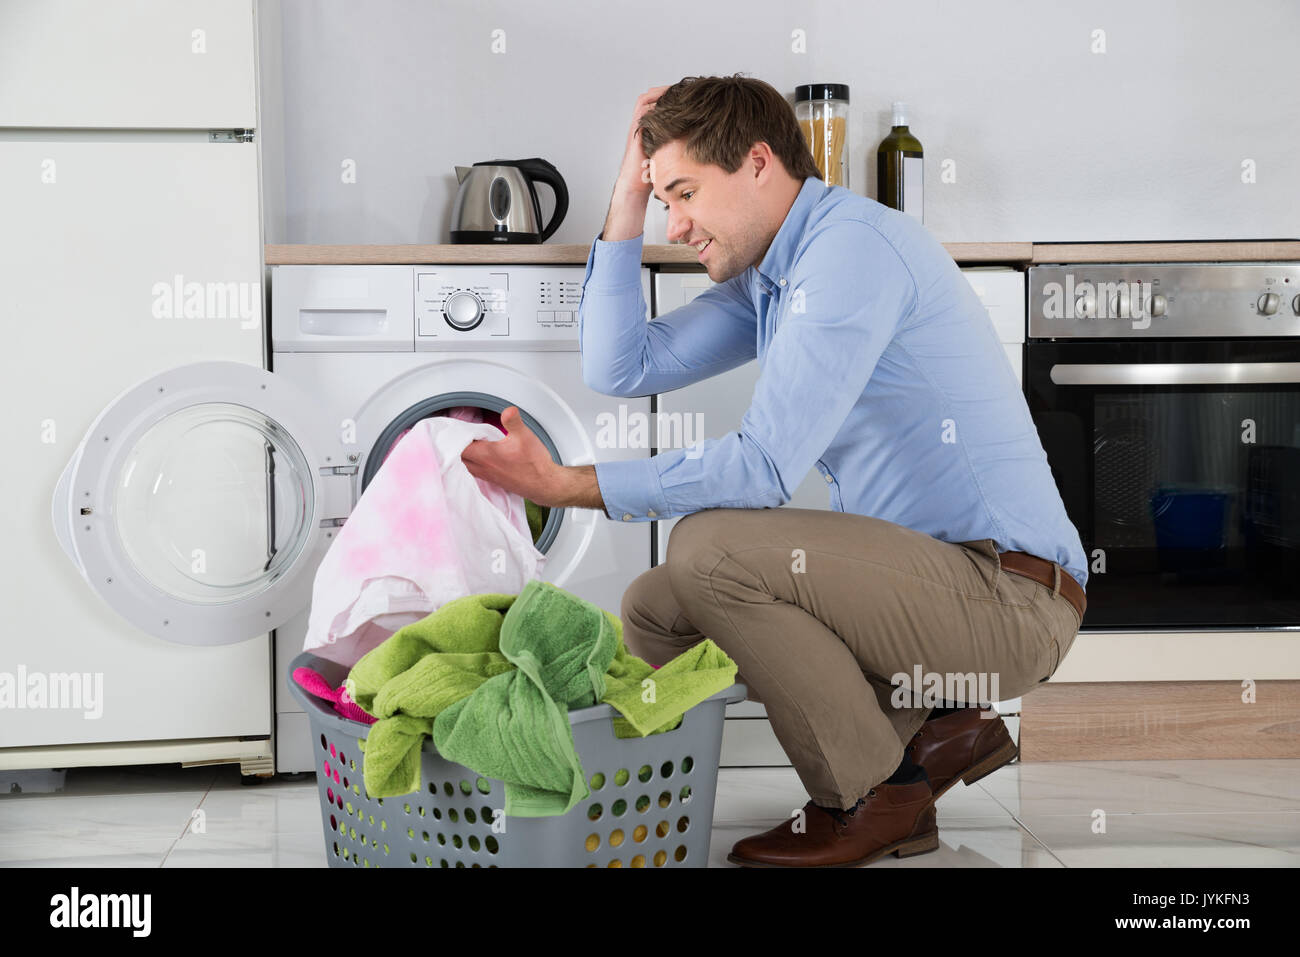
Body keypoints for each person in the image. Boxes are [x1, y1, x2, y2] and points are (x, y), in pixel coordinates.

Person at [459, 74, 1087, 868]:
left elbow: (762, 469)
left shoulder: (848, 253)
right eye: (664, 202)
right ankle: (660, 801)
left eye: (685, 193)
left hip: (1008, 598)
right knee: (658, 603)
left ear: (758, 163)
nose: (676, 224)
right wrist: (629, 187)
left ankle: (872, 793)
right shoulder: (771, 274)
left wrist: (571, 486)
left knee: (707, 550)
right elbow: (619, 364)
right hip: (933, 591)